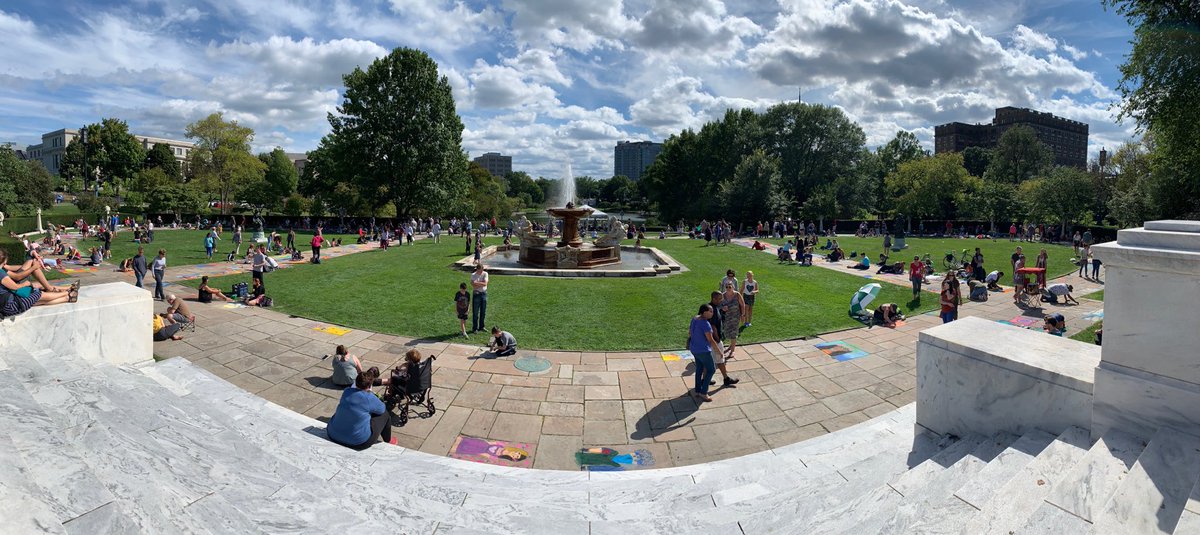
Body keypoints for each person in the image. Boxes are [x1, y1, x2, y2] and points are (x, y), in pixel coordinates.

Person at [326, 367, 394, 450]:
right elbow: (382, 409)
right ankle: (388, 440)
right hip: (358, 442)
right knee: (385, 415)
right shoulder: (369, 397)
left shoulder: (347, 391)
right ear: (369, 386)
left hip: (332, 434)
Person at [0, 251, 74, 318]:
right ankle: (68, 292)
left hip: (7, 304)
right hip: (10, 306)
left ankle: (67, 297)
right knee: (40, 294)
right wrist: (30, 273)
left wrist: (31, 267)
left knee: (40, 300)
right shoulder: (1, 273)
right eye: (4, 263)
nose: (5, 264)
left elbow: (9, 269)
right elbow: (15, 286)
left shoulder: (1, 270)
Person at [688, 303, 723, 402]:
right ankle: (704, 393)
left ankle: (697, 390)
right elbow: (711, 340)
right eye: (710, 311)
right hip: (703, 350)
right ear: (704, 312)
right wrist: (719, 351)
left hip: (694, 349)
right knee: (711, 370)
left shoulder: (694, 318)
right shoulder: (705, 323)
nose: (712, 313)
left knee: (699, 368)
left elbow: (690, 332)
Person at [720, 282, 746, 360]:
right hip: (726, 317)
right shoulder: (722, 295)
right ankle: (731, 345)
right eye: (727, 287)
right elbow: (719, 305)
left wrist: (743, 315)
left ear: (733, 287)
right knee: (727, 332)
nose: (728, 288)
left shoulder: (737, 294)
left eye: (730, 287)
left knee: (733, 333)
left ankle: (732, 351)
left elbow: (742, 304)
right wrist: (722, 308)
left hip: (736, 316)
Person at [470, 263, 489, 333]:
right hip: (476, 294)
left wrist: (476, 282)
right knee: (475, 312)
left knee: (483, 312)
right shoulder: (473, 275)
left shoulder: (485, 274)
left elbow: (485, 284)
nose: (481, 272)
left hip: (484, 294)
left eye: (482, 270)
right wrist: (481, 283)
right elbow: (473, 286)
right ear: (477, 269)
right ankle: (475, 328)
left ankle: (481, 327)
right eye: (479, 271)